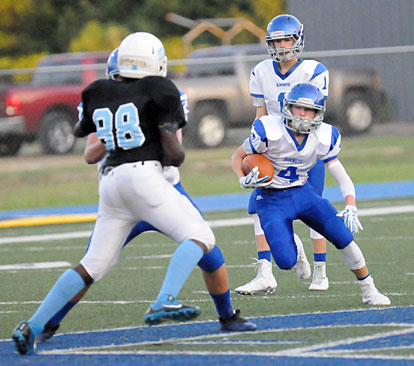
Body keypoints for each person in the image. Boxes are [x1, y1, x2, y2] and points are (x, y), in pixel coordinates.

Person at [11, 32, 255, 356]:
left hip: (122, 184)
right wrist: (144, 130)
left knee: (94, 264)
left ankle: (34, 325)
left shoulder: (100, 93)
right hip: (148, 182)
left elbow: (83, 132)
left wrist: (127, 131)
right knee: (201, 236)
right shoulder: (157, 91)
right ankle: (163, 300)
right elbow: (170, 152)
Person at [232, 82, 390, 307]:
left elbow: (341, 175)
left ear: (319, 113)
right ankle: (294, 245)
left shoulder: (325, 136)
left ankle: (369, 289)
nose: (303, 114)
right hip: (271, 199)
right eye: (298, 108)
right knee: (286, 262)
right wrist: (242, 179)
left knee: (343, 236)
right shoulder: (269, 131)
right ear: (288, 107)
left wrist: (351, 205)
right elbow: (237, 157)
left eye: (309, 110)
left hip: (302, 193)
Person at [235, 14, 334, 295]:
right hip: (275, 151)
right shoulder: (261, 71)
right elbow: (261, 115)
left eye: (286, 39)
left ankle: (321, 270)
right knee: (258, 207)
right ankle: (265, 272)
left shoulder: (314, 70)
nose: (281, 46)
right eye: (276, 40)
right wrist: (255, 148)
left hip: (305, 149)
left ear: (298, 39)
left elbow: (315, 114)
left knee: (314, 211)